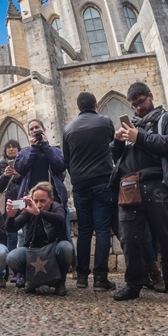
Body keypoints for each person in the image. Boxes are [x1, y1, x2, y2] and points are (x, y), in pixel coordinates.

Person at [109, 82, 168, 305]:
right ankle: (134, 284)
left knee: (167, 238)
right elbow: (116, 157)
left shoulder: (166, 119)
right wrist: (118, 141)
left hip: (158, 183)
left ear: (150, 96)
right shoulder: (131, 125)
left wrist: (139, 137)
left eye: (141, 102)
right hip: (129, 185)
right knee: (129, 239)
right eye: (134, 105)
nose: (138, 108)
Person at [62, 92, 116, 291]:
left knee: (85, 231)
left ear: (78, 107)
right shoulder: (105, 121)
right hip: (103, 181)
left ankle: (82, 277)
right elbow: (113, 147)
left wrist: (77, 176)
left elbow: (66, 159)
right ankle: (100, 278)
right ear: (95, 104)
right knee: (102, 230)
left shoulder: (68, 129)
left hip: (80, 185)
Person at [5, 182, 74, 296]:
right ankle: (32, 280)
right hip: (33, 249)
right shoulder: (30, 209)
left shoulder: (57, 207)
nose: (38, 205)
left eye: (42, 201)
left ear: (51, 199)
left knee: (66, 248)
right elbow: (12, 228)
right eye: (35, 201)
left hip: (53, 248)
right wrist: (11, 216)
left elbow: (60, 219)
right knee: (12, 257)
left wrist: (39, 213)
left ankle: (60, 282)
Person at [15, 119, 68, 208]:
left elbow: (60, 167)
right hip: (29, 198)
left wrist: (46, 146)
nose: (34, 130)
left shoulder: (55, 151)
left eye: (37, 127)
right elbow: (20, 169)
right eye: (31, 129)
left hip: (53, 198)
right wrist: (33, 149)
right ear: (29, 134)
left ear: (44, 130)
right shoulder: (23, 153)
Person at [0, 139, 23, 253]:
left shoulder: (24, 163)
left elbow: (29, 183)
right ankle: (11, 259)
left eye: (14, 147)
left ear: (19, 149)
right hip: (8, 205)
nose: (11, 149)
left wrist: (19, 176)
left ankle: (23, 258)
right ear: (5, 151)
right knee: (11, 235)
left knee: (24, 233)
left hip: (22, 202)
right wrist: (4, 176)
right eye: (8, 147)